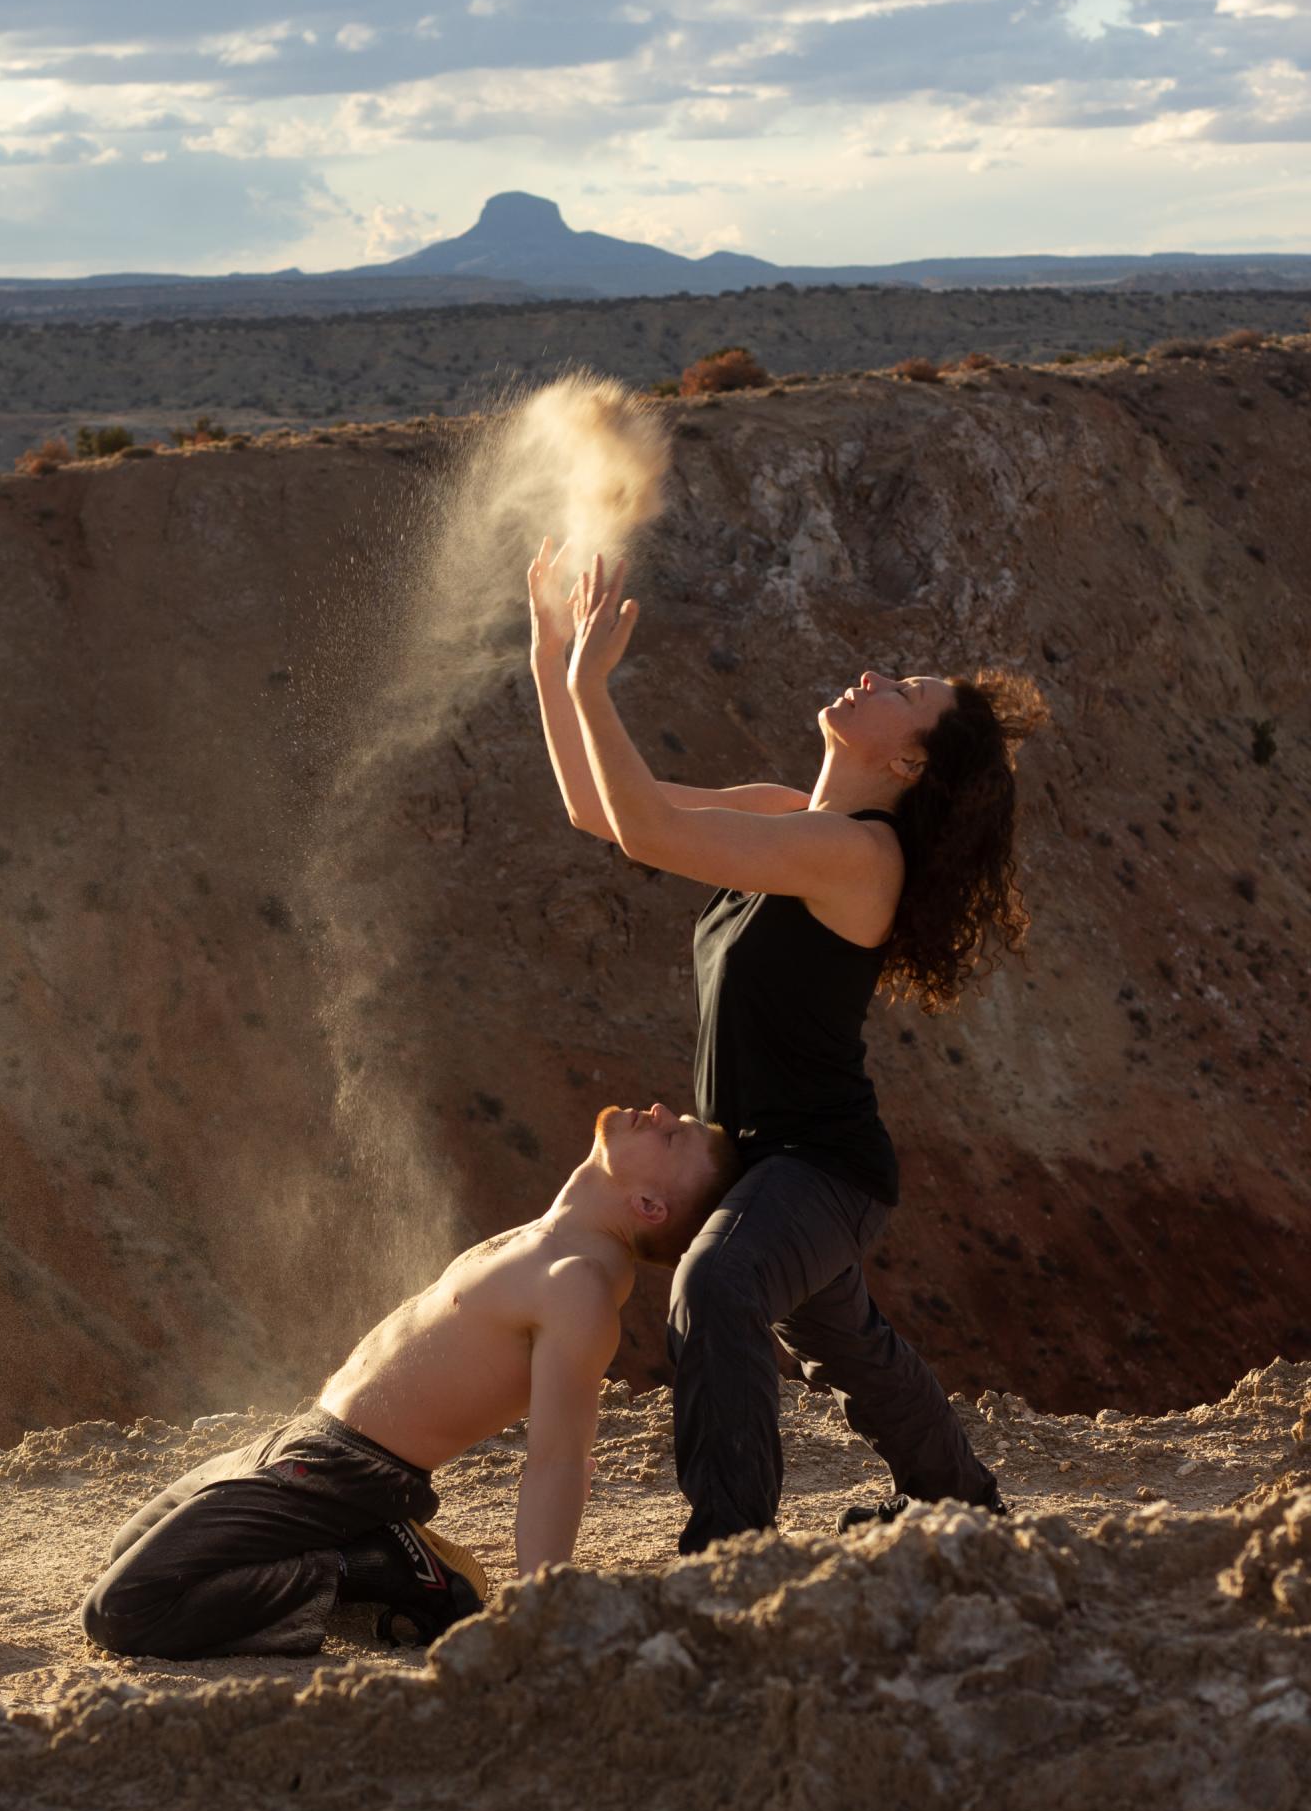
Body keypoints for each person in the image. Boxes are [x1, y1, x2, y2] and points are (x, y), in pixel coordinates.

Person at [527, 536, 1047, 1550]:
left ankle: (728, 1549)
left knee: (717, 1284)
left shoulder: (856, 855)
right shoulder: (784, 815)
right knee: (847, 1344)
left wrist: (595, 685)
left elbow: (644, 831)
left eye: (903, 689)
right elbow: (596, 810)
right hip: (762, 1164)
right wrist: (552, 664)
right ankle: (959, 1502)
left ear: (907, 762)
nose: (872, 676)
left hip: (820, 1165)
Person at [80, 1101, 740, 1658]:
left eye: (673, 1135)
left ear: (648, 1204)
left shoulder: (580, 1288)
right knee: (128, 1552)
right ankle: (363, 1551)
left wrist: (543, 1606)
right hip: (305, 1441)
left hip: (344, 1475)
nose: (657, 1113)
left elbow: (560, 1459)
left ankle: (371, 1571)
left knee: (124, 1610)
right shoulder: (551, 1237)